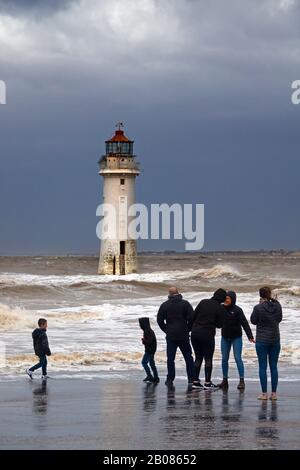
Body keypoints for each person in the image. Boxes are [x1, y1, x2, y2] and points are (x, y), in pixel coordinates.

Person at [157, 287, 194, 387]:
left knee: (170, 358)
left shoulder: (165, 305)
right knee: (188, 357)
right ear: (178, 293)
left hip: (171, 336)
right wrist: (188, 329)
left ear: (169, 294)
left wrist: (166, 330)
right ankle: (191, 379)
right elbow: (192, 318)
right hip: (183, 335)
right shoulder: (185, 304)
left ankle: (170, 379)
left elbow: (159, 321)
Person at [218, 291, 255, 391]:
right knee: (224, 359)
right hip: (225, 337)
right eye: (225, 298)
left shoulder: (238, 310)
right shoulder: (220, 308)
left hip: (236, 337)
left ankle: (242, 380)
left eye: (228, 299)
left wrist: (250, 336)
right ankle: (224, 380)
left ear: (233, 299)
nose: (226, 300)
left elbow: (244, 324)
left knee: (238, 358)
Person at [191, 288, 226, 390]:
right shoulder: (220, 308)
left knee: (198, 357)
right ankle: (207, 382)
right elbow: (220, 325)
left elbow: (193, 316)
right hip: (207, 334)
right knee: (208, 358)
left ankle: (195, 381)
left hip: (195, 333)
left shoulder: (203, 302)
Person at [251, 287, 282, 401]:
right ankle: (274, 394)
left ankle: (264, 394)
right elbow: (279, 319)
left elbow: (253, 321)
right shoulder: (277, 306)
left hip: (262, 340)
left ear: (260, 295)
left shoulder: (258, 308)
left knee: (262, 367)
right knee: (273, 366)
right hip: (275, 339)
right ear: (269, 294)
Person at [139, 317, 159, 384]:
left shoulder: (147, 331)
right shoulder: (149, 330)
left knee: (144, 362)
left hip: (150, 350)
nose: (140, 325)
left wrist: (143, 340)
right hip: (152, 350)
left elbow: (149, 342)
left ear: (143, 324)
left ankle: (149, 376)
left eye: (140, 324)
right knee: (152, 364)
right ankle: (156, 377)